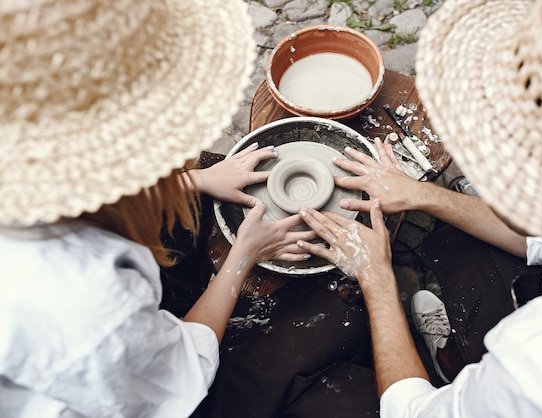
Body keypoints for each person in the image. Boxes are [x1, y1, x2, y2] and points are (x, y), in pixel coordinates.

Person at [297, 0, 542, 416]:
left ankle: (453, 362)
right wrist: (422, 194)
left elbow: (411, 412)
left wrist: (376, 277)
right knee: (457, 240)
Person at [0, 1, 316, 417]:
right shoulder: (86, 306)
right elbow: (181, 370)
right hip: (124, 394)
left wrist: (197, 180)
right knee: (320, 338)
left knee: (202, 172)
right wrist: (243, 256)